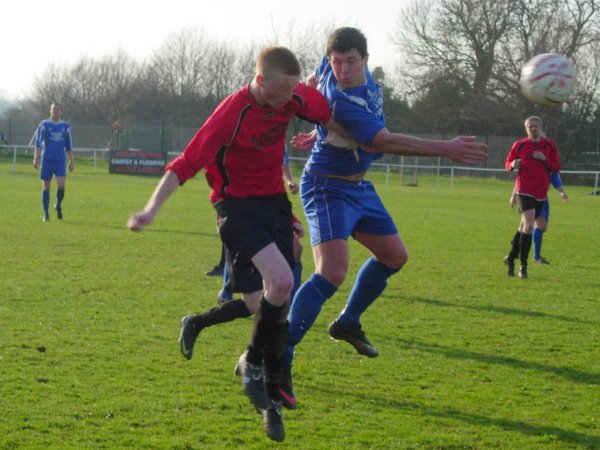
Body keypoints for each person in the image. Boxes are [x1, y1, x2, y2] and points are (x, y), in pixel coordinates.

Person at [127, 46, 343, 442]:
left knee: (271, 302)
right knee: (277, 286)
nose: (287, 101)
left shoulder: (293, 96)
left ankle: (266, 380)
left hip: (276, 204)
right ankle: (257, 368)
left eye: (293, 91)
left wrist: (359, 139)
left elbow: (326, 112)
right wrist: (150, 210)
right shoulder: (231, 113)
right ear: (260, 81)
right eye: (281, 92)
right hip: (236, 207)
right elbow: (185, 165)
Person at [281, 27, 487, 408]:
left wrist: (318, 129)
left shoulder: (343, 78)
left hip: (358, 187)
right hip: (326, 186)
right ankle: (278, 354)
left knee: (395, 257)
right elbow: (385, 142)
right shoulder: (346, 101)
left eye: (350, 62)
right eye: (336, 63)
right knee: (332, 272)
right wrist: (446, 148)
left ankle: (347, 322)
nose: (342, 70)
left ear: (365, 60)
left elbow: (311, 84)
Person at [504, 116, 560, 279]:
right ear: (526, 129)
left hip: (541, 192)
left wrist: (544, 159)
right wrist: (513, 164)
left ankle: (510, 258)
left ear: (541, 127)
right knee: (528, 224)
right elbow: (508, 163)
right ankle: (523, 265)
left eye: (536, 126)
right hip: (524, 190)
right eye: (530, 127)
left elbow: (556, 167)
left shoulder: (550, 145)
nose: (533, 129)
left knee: (525, 227)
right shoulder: (520, 145)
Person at [509, 172, 568, 264]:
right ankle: (534, 257)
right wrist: (514, 195)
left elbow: (554, 175)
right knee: (538, 225)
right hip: (530, 197)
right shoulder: (532, 161)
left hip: (542, 197)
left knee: (536, 227)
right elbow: (521, 177)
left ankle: (514, 251)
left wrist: (562, 191)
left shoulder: (547, 161)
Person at [32, 103, 74, 221]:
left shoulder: (65, 126)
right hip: (47, 160)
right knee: (46, 187)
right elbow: (38, 143)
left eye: (58, 109)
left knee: (61, 185)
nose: (56, 111)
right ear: (50, 111)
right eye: (53, 109)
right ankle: (46, 214)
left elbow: (69, 145)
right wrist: (36, 158)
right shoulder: (44, 125)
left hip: (60, 160)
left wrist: (71, 161)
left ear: (61, 112)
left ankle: (58, 204)